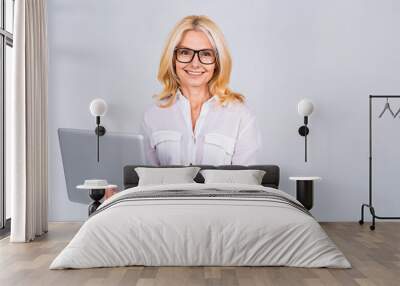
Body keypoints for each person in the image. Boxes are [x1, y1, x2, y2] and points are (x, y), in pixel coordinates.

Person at [141, 15, 261, 166]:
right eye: (185, 52)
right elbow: (144, 184)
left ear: (217, 61)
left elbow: (245, 186)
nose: (195, 64)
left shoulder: (241, 117)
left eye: (206, 54)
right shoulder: (152, 116)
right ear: (172, 58)